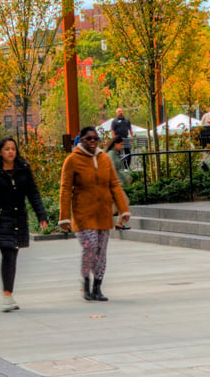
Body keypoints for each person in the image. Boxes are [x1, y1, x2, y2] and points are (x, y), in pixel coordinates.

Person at [58, 126, 130, 302]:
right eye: (89, 138)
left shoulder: (104, 158)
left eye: (95, 139)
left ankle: (98, 287)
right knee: (90, 246)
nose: (92, 141)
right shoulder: (72, 160)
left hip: (103, 213)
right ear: (81, 140)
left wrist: (123, 210)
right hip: (83, 213)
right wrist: (64, 217)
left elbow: (114, 185)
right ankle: (86, 282)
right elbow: (65, 189)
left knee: (101, 251)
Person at [0, 138, 50, 313]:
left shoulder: (23, 170)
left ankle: (8, 295)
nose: (10, 152)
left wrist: (41, 215)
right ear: (0, 152)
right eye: (6, 149)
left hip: (18, 219)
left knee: (12, 256)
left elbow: (33, 194)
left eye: (13, 149)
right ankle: (7, 296)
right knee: (8, 256)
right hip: (0, 219)